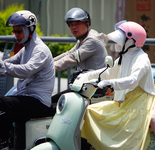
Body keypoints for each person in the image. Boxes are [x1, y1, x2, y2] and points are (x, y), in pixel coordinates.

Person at [81, 20, 155, 150]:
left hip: (137, 106)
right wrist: (87, 75)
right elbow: (109, 72)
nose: (116, 43)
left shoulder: (141, 59)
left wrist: (110, 83)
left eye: (119, 40)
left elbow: (133, 80)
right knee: (89, 110)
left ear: (131, 41)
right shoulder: (124, 56)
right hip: (123, 104)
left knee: (126, 143)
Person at [0, 10, 55, 149]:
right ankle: (10, 142)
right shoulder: (26, 48)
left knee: (4, 103)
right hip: (26, 97)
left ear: (29, 28)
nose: (16, 35)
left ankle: (4, 141)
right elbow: (10, 63)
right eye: (14, 32)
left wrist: (3, 66)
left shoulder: (40, 50)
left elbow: (26, 70)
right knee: (6, 107)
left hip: (39, 101)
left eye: (19, 31)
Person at [52, 7, 108, 102]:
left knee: (54, 103)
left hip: (93, 89)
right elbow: (69, 53)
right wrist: (47, 63)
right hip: (85, 87)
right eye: (71, 24)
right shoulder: (82, 40)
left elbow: (71, 58)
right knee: (55, 101)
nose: (74, 27)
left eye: (78, 24)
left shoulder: (91, 41)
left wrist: (48, 68)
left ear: (87, 24)